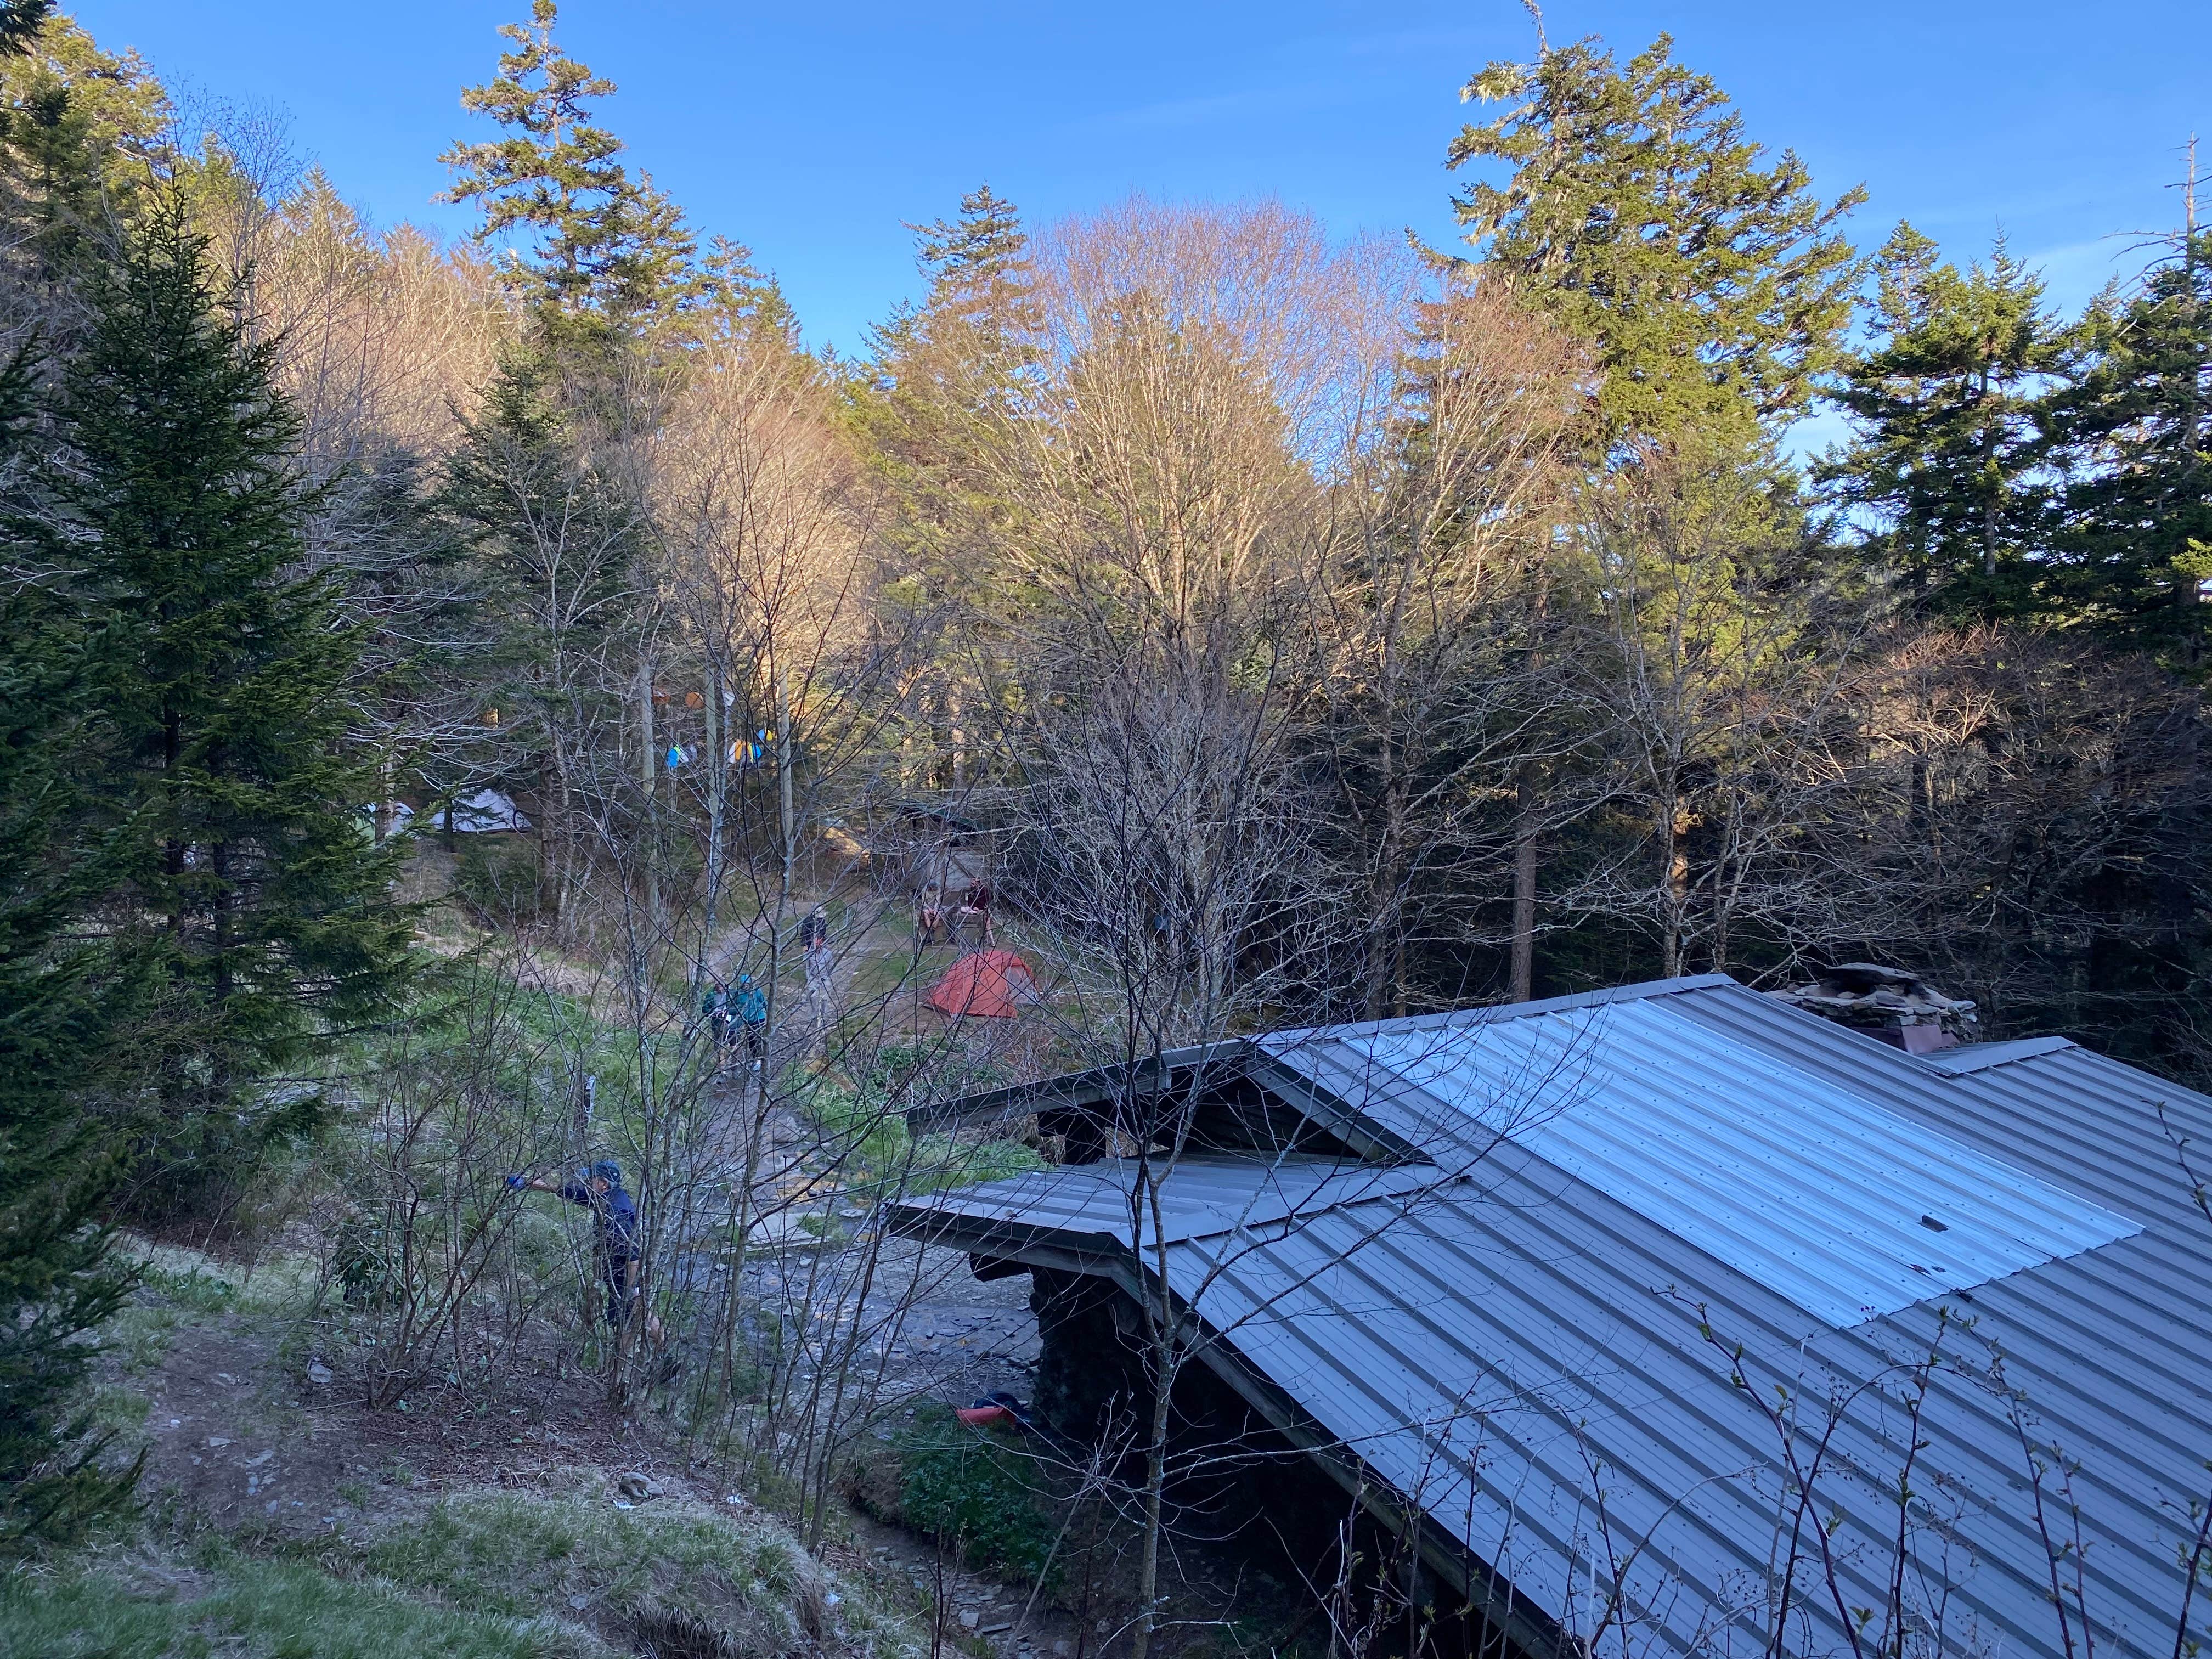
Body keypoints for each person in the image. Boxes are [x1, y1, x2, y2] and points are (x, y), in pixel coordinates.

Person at [506, 1160, 664, 1346]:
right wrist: (529, 1183)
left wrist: (627, 1291)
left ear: (603, 1183)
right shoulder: (607, 1197)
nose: (587, 1182)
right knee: (640, 1312)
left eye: (592, 1179)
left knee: (625, 1320)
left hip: (625, 1274)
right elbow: (570, 1192)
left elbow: (633, 1258)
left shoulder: (615, 1214)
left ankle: (626, 1361)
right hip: (621, 1272)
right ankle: (662, 1349)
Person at [733, 973, 768, 1069]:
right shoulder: (740, 994)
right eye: (744, 984)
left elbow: (764, 1002)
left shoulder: (757, 991)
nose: (745, 986)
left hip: (758, 1018)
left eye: (747, 984)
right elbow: (734, 1004)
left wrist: (769, 1015)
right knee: (751, 1040)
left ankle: (759, 1061)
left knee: (756, 1039)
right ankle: (755, 1060)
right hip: (748, 1020)